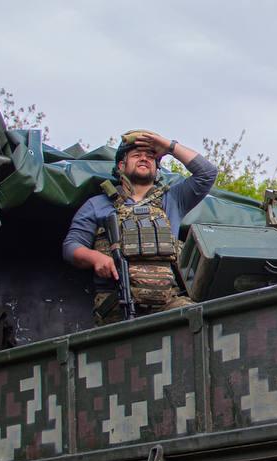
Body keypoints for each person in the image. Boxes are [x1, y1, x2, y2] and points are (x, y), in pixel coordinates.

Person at [63, 130, 218, 325]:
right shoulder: (97, 205)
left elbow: (207, 173)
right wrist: (95, 258)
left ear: (156, 168)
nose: (144, 158)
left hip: (167, 302)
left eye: (150, 157)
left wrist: (169, 147)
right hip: (118, 302)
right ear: (121, 165)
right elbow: (71, 246)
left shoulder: (173, 200)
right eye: (136, 155)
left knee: (202, 319)